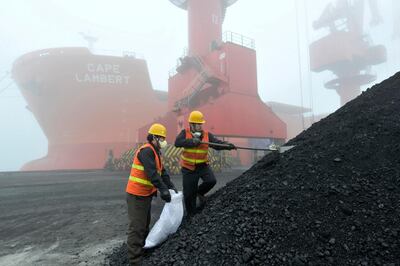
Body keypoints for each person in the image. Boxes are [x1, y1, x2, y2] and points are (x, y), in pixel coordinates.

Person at [125, 123, 177, 266]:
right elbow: (152, 174)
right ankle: (135, 261)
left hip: (145, 195)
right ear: (153, 137)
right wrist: (163, 190)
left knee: (144, 225)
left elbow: (162, 172)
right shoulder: (146, 151)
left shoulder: (156, 152)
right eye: (161, 138)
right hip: (136, 195)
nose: (163, 141)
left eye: (163, 138)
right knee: (137, 227)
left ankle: (142, 252)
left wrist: (170, 185)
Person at [174, 110, 236, 216]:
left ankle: (199, 192)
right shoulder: (185, 133)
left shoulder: (207, 135)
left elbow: (216, 144)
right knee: (189, 195)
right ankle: (191, 215)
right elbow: (177, 143)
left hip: (203, 166)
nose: (200, 126)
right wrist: (191, 142)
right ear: (191, 124)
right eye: (197, 124)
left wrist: (227, 145)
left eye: (200, 124)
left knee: (211, 181)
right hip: (188, 168)